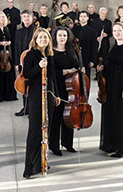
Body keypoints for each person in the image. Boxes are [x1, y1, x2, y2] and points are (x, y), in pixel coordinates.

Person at [22, 28, 60, 179]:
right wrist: (39, 66)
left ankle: (41, 162)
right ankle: (29, 167)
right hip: (36, 95)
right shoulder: (31, 54)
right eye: (41, 37)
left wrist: (56, 94)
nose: (43, 40)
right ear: (36, 39)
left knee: (46, 129)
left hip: (49, 94)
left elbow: (53, 78)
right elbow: (26, 75)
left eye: (46, 37)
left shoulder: (50, 55)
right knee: (34, 130)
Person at [97, 22, 123, 158]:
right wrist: (103, 68)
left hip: (121, 85)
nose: (116, 33)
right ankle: (112, 144)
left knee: (120, 114)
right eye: (114, 31)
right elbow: (112, 63)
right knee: (111, 112)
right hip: (111, 84)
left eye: (119, 30)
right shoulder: (115, 45)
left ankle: (122, 148)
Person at [50, 27, 79, 156]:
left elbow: (76, 66)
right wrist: (67, 71)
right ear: (55, 37)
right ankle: (54, 145)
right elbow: (51, 73)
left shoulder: (71, 51)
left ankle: (68, 143)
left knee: (69, 116)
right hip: (57, 87)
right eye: (60, 35)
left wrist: (79, 70)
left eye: (65, 36)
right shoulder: (51, 52)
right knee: (56, 116)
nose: (62, 38)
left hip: (71, 88)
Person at [0, 11, 17, 102]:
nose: (1, 19)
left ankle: (8, 95)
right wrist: (0, 43)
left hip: (6, 53)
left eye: (3, 17)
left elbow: (10, 40)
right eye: (0, 17)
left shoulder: (6, 29)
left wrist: (9, 42)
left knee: (9, 72)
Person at [14, 10, 35, 116]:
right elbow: (16, 48)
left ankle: (33, 108)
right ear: (22, 19)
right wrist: (17, 62)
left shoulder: (36, 31)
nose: (26, 19)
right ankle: (25, 107)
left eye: (28, 17)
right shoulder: (18, 32)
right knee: (24, 85)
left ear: (32, 18)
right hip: (22, 62)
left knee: (33, 85)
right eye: (24, 17)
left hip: (34, 63)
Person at [72, 11, 98, 78]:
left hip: (87, 57)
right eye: (81, 16)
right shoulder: (74, 30)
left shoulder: (92, 32)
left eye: (84, 16)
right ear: (79, 18)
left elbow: (94, 47)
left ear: (87, 18)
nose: (82, 18)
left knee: (86, 78)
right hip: (75, 57)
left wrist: (92, 60)